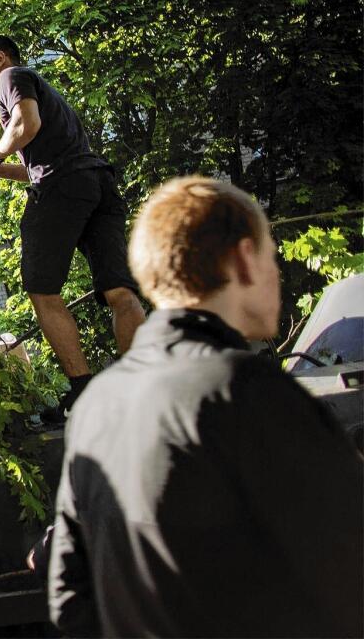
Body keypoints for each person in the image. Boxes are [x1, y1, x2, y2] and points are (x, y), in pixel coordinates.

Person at [47, 177, 364, 637]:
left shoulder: (96, 405)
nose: (276, 272)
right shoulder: (251, 391)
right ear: (242, 259)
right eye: (270, 255)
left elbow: (68, 597)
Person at [0, 36, 144, 413]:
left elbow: (26, 123)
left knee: (41, 289)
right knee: (119, 291)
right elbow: (36, 165)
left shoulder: (12, 76)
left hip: (63, 187)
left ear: (0, 57)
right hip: (96, 184)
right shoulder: (42, 92)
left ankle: (82, 390)